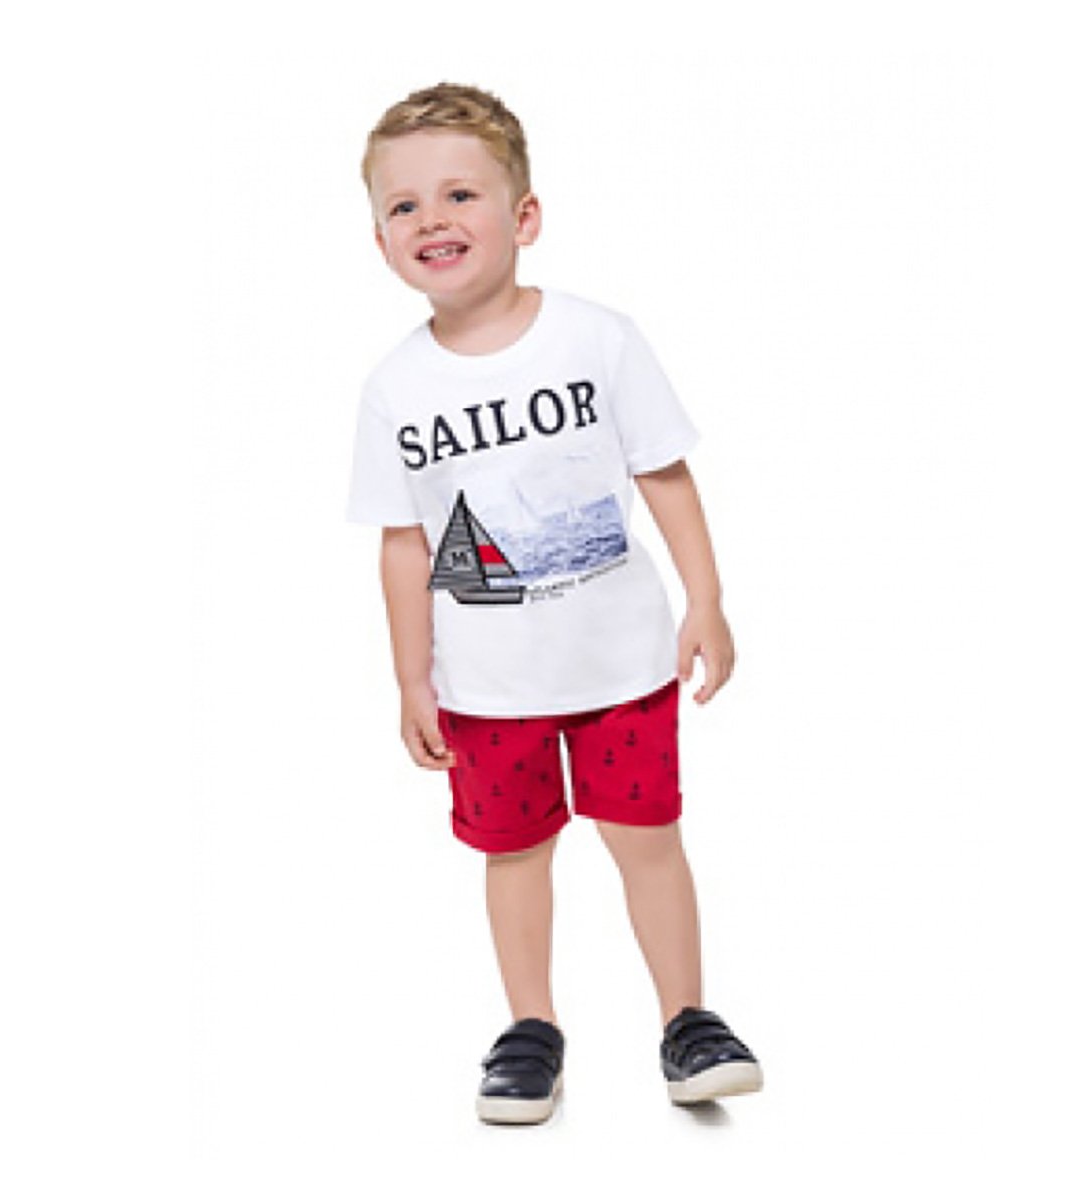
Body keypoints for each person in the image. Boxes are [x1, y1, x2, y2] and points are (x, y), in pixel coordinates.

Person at [346, 82, 762, 1124]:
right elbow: (403, 543)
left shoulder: (597, 340)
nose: (432, 219)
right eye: (404, 206)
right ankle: (531, 1030)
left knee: (647, 839)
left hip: (622, 666)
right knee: (513, 852)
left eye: (460, 195)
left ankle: (689, 1021)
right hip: (488, 687)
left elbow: (664, 473)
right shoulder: (395, 390)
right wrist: (410, 678)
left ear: (524, 215)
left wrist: (706, 599)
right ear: (381, 241)